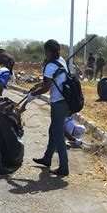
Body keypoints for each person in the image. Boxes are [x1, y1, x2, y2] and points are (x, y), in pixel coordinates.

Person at [29, 39, 71, 176]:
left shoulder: (49, 65)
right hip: (66, 101)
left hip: (58, 102)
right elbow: (49, 81)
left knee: (58, 134)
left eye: (45, 51)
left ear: (49, 51)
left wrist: (32, 95)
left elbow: (46, 87)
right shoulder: (61, 61)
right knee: (53, 130)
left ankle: (64, 167)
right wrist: (37, 86)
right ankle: (47, 158)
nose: (44, 53)